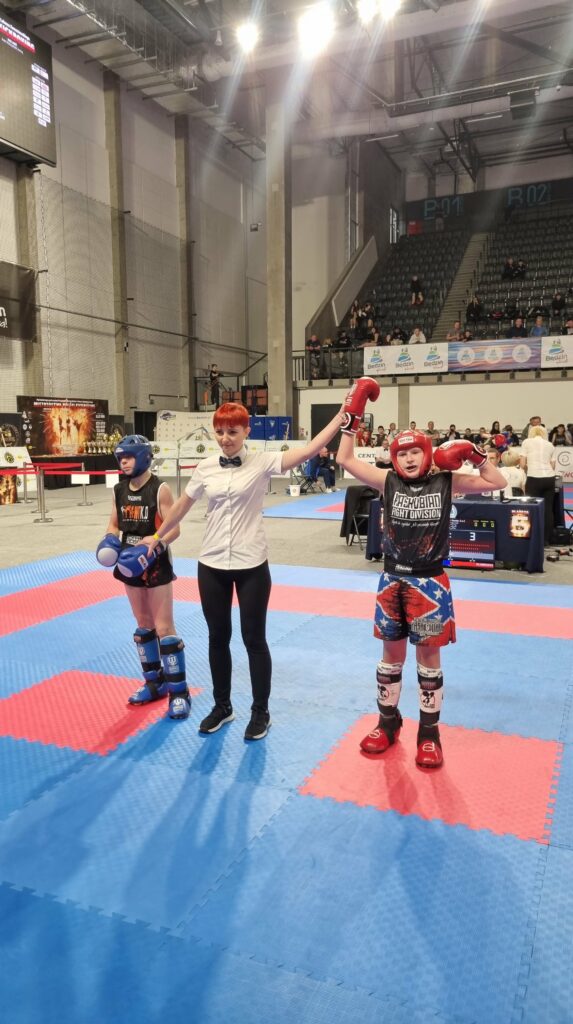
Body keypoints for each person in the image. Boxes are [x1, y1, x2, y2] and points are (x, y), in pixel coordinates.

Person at [143, 401, 348, 741]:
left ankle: (260, 711)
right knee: (217, 638)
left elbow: (311, 449)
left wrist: (341, 417)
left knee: (254, 639)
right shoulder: (206, 467)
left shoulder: (263, 461)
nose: (225, 438)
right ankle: (222, 706)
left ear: (246, 432)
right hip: (211, 563)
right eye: (219, 432)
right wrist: (156, 537)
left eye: (232, 432)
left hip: (251, 563)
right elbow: (181, 506)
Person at [336, 395, 506, 769]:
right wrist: (354, 411)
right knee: (390, 659)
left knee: (428, 662)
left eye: (415, 451)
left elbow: (498, 480)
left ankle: (429, 734)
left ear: (427, 454)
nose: (409, 459)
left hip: (429, 584)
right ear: (394, 458)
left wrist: (475, 454)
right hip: (392, 581)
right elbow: (345, 459)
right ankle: (387, 722)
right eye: (402, 453)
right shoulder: (387, 480)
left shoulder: (447, 481)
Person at [95, 435, 190, 720]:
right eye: (120, 458)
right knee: (143, 626)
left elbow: (175, 528)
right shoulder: (119, 489)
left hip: (156, 562)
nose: (123, 462)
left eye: (128, 457)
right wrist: (109, 540)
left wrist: (155, 545)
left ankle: (179, 692)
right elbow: (114, 523)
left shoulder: (159, 489)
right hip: (128, 562)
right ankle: (154, 683)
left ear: (143, 457)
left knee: (165, 629)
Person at [519, 426, 557, 546]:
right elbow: (553, 466)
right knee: (548, 509)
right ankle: (546, 539)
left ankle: (532, 538)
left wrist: (529, 468)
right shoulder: (550, 445)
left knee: (531, 508)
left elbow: (522, 464)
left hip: (533, 478)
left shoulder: (526, 442)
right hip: (549, 478)